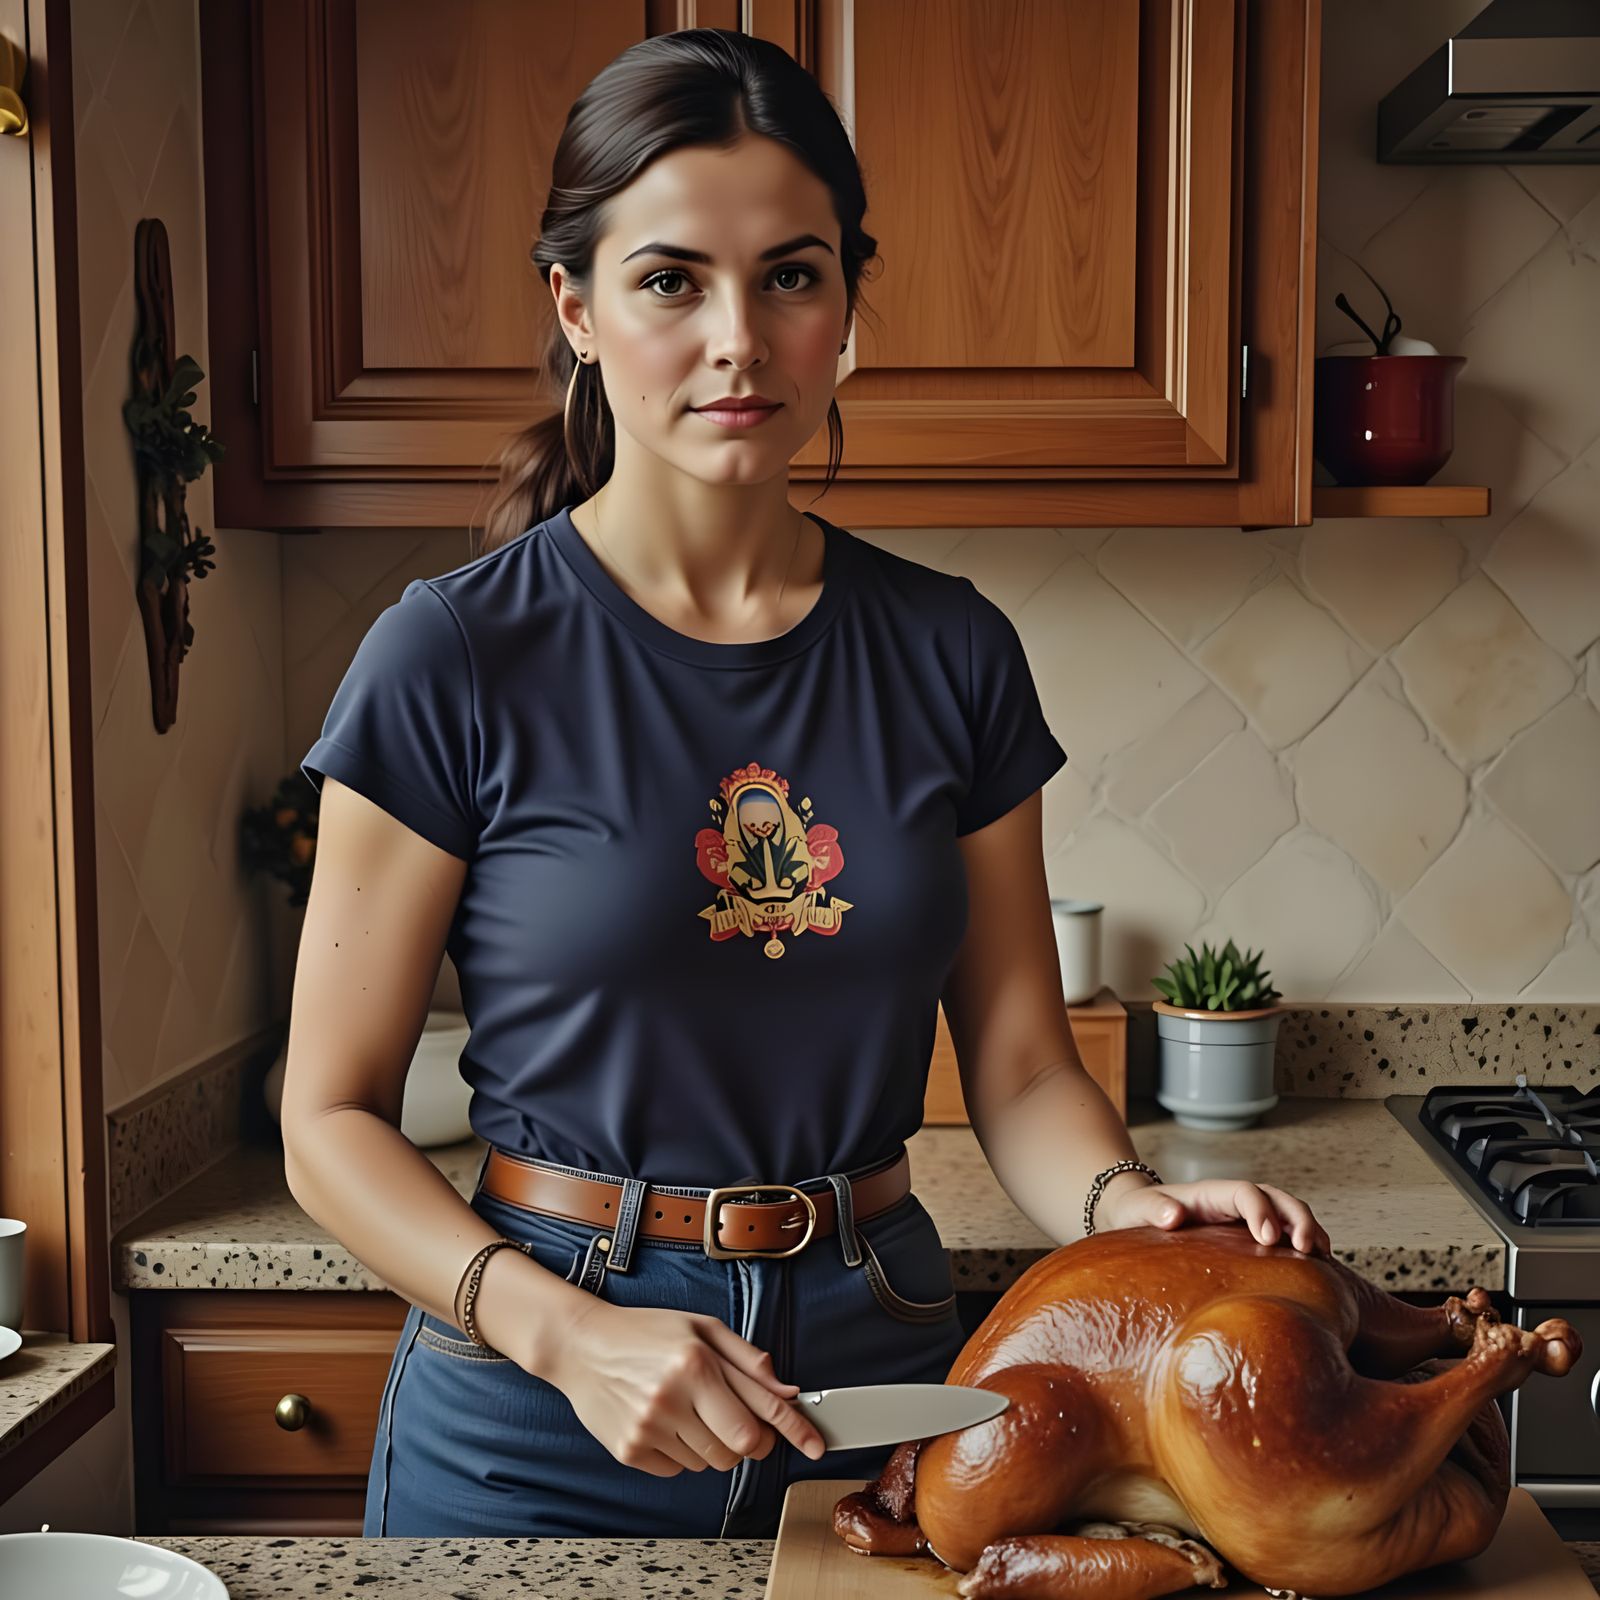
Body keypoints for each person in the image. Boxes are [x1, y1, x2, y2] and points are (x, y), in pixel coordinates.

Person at [281, 27, 1332, 1543]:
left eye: (790, 275)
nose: (739, 339)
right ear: (576, 308)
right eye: (670, 281)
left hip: (879, 1365)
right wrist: (563, 1333)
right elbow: (327, 1119)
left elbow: (1023, 1068)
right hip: (534, 1402)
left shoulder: (953, 651)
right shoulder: (449, 655)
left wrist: (1133, 1207)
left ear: (845, 310)